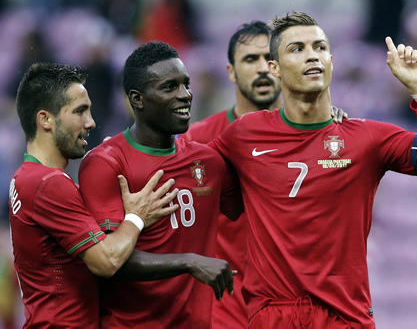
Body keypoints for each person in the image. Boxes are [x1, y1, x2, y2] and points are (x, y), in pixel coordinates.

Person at [210, 11, 417, 328]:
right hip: (274, 316)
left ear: (332, 61)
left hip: (344, 317)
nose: (312, 56)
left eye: (320, 47)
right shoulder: (244, 135)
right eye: (297, 49)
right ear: (274, 69)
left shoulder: (367, 138)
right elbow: (198, 181)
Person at [180, 20, 347, 329]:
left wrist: (325, 119)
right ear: (230, 71)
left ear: (279, 67)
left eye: (265, 59)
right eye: (248, 59)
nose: (260, 69)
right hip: (222, 307)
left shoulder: (321, 135)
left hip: (292, 307)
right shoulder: (198, 139)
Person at [78, 41, 242, 328]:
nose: (185, 95)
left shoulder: (209, 162)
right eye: (170, 88)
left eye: (186, 84)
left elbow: (259, 209)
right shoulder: (106, 164)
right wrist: (189, 261)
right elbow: (107, 261)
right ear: (137, 99)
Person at [9, 63, 179, 328]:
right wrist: (136, 217)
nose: (91, 122)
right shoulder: (48, 183)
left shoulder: (25, 177)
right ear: (45, 119)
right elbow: (107, 261)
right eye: (79, 111)